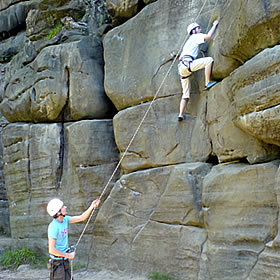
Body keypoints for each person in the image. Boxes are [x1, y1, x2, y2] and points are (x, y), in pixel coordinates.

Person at [47, 198, 100, 280]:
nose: (65, 207)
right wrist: (68, 255)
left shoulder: (65, 220)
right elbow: (52, 250)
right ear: (58, 212)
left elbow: (82, 217)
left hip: (64, 261)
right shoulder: (53, 227)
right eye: (63, 206)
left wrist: (92, 207)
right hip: (57, 264)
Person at [178, 20, 219, 121]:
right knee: (209, 60)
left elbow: (180, 58)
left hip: (182, 68)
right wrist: (214, 25)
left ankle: (180, 114)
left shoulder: (187, 43)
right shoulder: (195, 37)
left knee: (185, 95)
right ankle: (207, 82)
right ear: (194, 30)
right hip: (188, 65)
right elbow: (208, 36)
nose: (200, 29)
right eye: (199, 28)